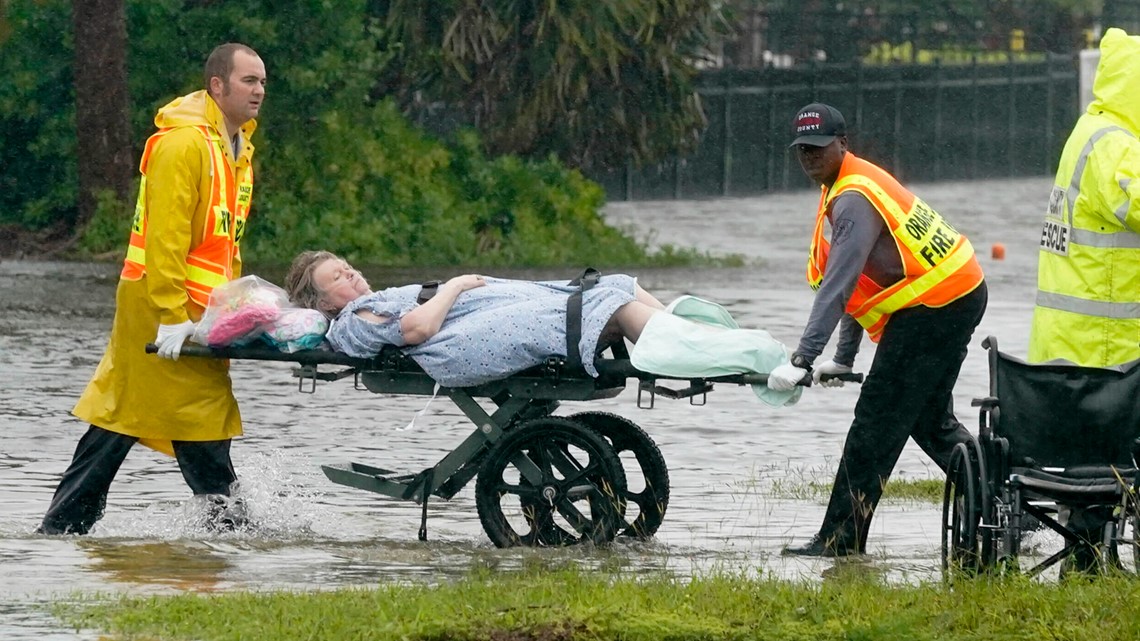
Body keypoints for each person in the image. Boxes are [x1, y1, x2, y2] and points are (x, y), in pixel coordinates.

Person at [37, 43, 267, 535]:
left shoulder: (237, 149)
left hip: (199, 310)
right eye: (249, 80)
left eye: (262, 82)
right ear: (217, 86)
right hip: (160, 305)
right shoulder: (183, 145)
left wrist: (234, 307)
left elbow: (224, 245)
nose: (259, 90)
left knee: (128, 415)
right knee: (185, 415)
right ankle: (233, 534)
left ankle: (61, 531)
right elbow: (165, 239)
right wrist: (170, 315)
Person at [770, 103, 988, 557]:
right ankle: (1002, 502)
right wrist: (843, 358)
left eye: (819, 147)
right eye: (803, 149)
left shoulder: (853, 198)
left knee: (875, 422)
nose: (810, 156)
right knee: (928, 420)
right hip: (955, 294)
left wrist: (802, 359)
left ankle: (839, 542)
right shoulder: (847, 183)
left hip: (937, 305)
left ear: (842, 143)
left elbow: (839, 283)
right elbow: (864, 286)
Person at [282, 251, 803, 406]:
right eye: (338, 279)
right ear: (321, 302)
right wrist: (456, 285)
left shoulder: (369, 301)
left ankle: (703, 341)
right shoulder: (352, 322)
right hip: (459, 343)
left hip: (476, 317)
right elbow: (416, 328)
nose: (352, 276)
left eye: (347, 268)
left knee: (613, 283)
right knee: (607, 305)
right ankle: (741, 354)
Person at [1027, 28, 1140, 574]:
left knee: (1089, 460)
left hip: (1068, 339)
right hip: (1106, 343)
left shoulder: (1088, 132)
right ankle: (1091, 560)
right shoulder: (1117, 146)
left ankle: (1087, 557)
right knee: (1108, 457)